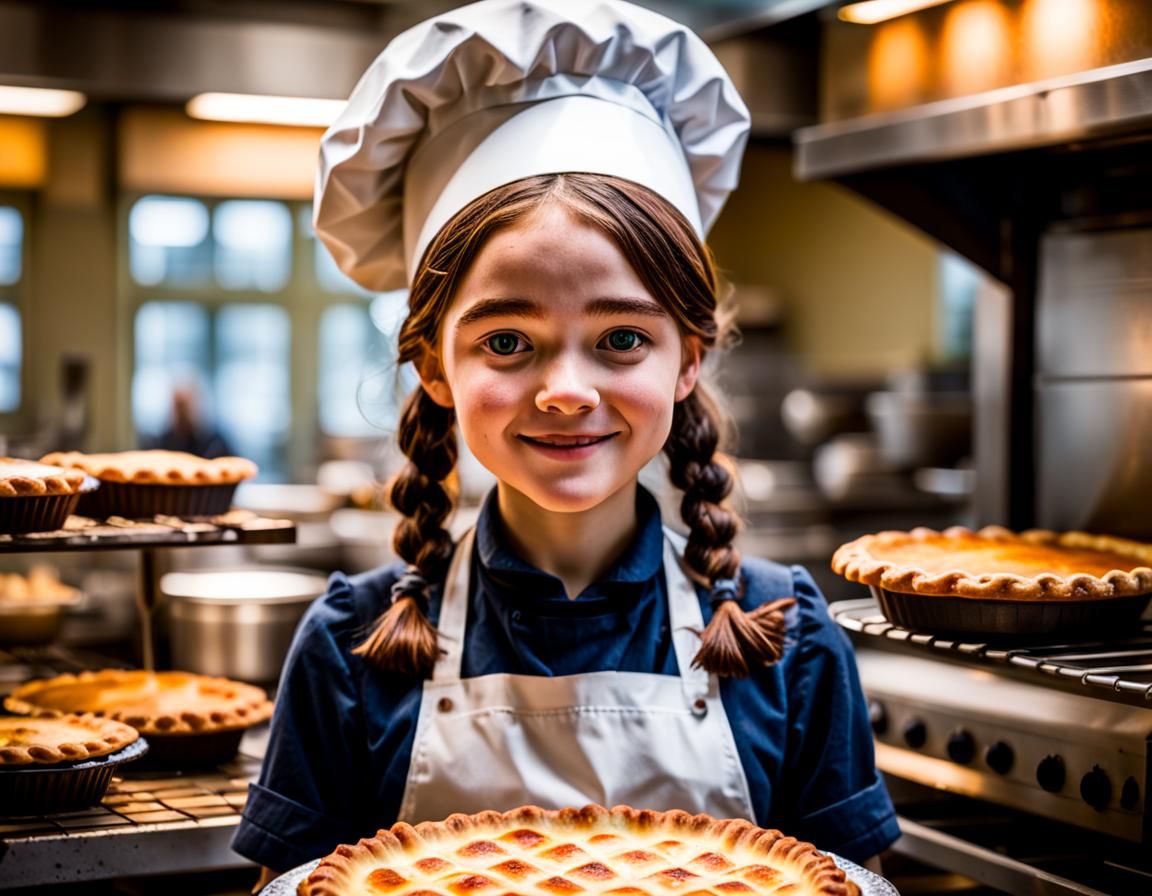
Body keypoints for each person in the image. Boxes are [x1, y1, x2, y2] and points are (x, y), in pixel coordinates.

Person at [233, 0, 899, 885]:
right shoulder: (354, 643)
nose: (567, 393)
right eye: (507, 342)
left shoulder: (789, 641)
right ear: (434, 366)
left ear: (687, 359)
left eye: (622, 339)